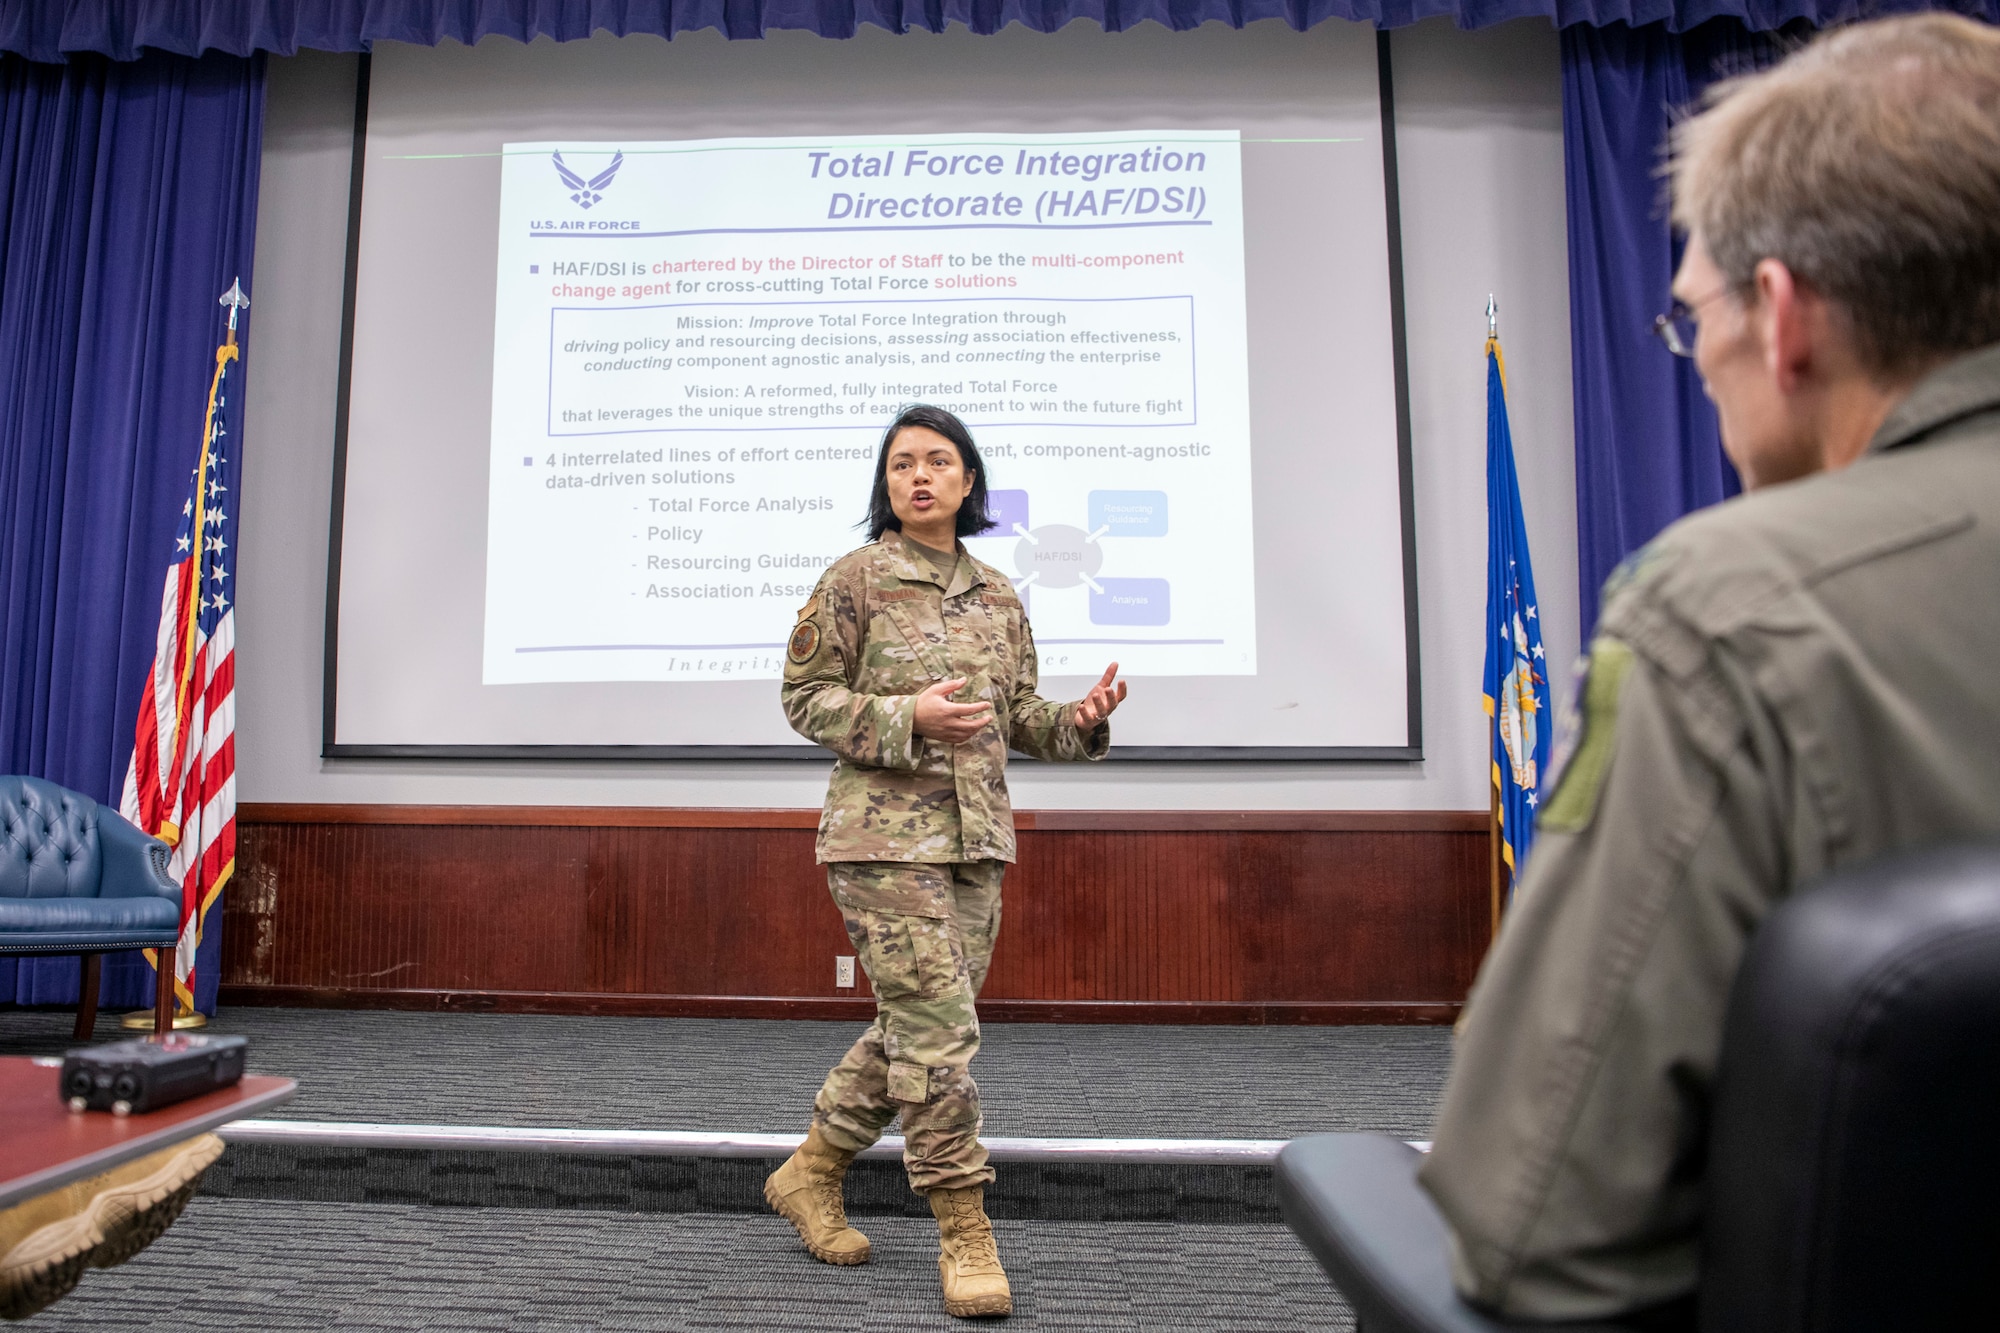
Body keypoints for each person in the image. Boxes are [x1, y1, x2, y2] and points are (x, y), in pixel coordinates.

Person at [1418, 14, 2000, 1327]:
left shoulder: (1735, 607)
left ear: (1784, 316)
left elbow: (1533, 1224)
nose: (1702, 364)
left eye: (1694, 323)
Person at [765, 403, 1126, 1319]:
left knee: (920, 1029)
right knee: (938, 1035)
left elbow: (1022, 716)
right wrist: (904, 717)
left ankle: (811, 1170)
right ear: (885, 486)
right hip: (882, 842)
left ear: (968, 483)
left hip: (975, 844)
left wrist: (1078, 724)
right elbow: (804, 698)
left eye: (936, 462)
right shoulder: (853, 580)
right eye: (899, 465)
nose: (917, 477)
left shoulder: (1000, 596)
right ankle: (965, 1231)